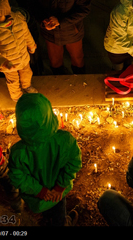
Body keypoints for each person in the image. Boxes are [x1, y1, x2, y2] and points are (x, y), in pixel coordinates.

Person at [9, 93, 82, 226]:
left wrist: (39, 191)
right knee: (59, 211)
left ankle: (48, 220)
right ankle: (61, 222)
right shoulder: (65, 140)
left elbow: (17, 177)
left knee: (46, 211)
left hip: (37, 197)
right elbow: (74, 163)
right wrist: (60, 186)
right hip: (58, 193)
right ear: (49, 116)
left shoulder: (18, 152)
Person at [27, 0, 91, 75]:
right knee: (55, 61)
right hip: (50, 32)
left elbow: (84, 9)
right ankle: (60, 82)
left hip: (72, 31)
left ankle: (80, 80)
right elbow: (32, 4)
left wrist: (60, 21)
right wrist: (42, 20)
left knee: (77, 59)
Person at [0, 0, 38, 102]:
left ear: (7, 12)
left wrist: (31, 45)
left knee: (27, 73)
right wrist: (3, 62)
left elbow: (26, 34)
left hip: (23, 58)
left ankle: (27, 86)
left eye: (0, 15)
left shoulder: (19, 20)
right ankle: (16, 96)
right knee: (13, 80)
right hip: (9, 63)